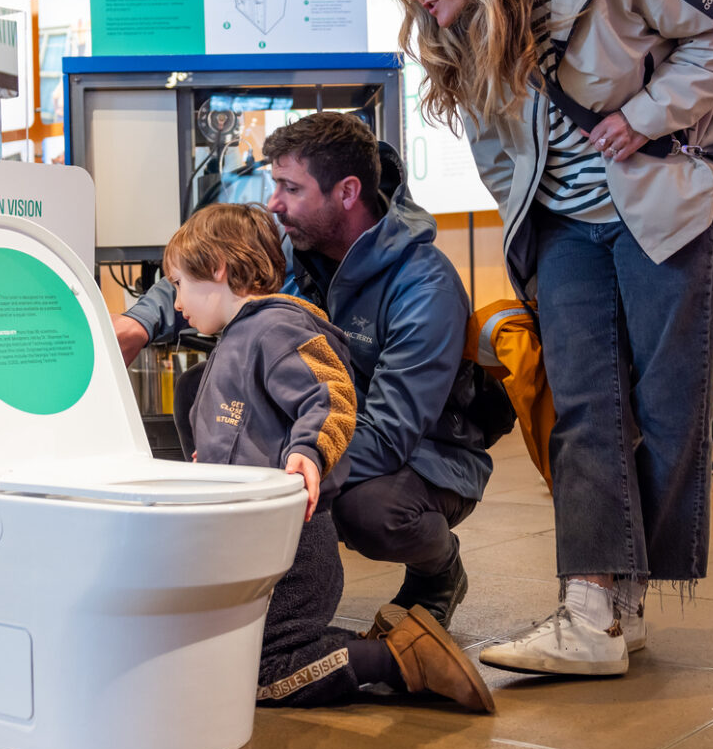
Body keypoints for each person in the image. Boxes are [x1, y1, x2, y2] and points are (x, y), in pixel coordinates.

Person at [381, 0, 713, 677]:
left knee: (666, 409)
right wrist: (529, 221)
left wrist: (646, 115)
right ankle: (589, 612)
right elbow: (494, 151)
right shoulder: (460, 29)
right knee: (582, 410)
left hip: (667, 213)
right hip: (564, 232)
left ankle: (623, 607)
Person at [117, 112, 493, 627]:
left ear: (347, 192)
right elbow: (202, 267)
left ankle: (439, 569)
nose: (274, 204)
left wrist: (275, 477)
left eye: (291, 188)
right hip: (315, 428)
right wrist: (138, 323)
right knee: (196, 388)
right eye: (276, 185)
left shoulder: (424, 289)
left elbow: (389, 433)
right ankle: (253, 550)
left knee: (371, 512)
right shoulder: (296, 246)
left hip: (425, 456)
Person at [162, 203, 493, 712]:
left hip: (293, 546)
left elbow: (331, 395)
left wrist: (309, 453)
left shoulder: (275, 329)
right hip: (261, 538)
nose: (177, 300)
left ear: (219, 269)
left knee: (266, 671)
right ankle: (391, 637)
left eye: (179, 283)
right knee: (245, 650)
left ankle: (403, 661)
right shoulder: (242, 333)